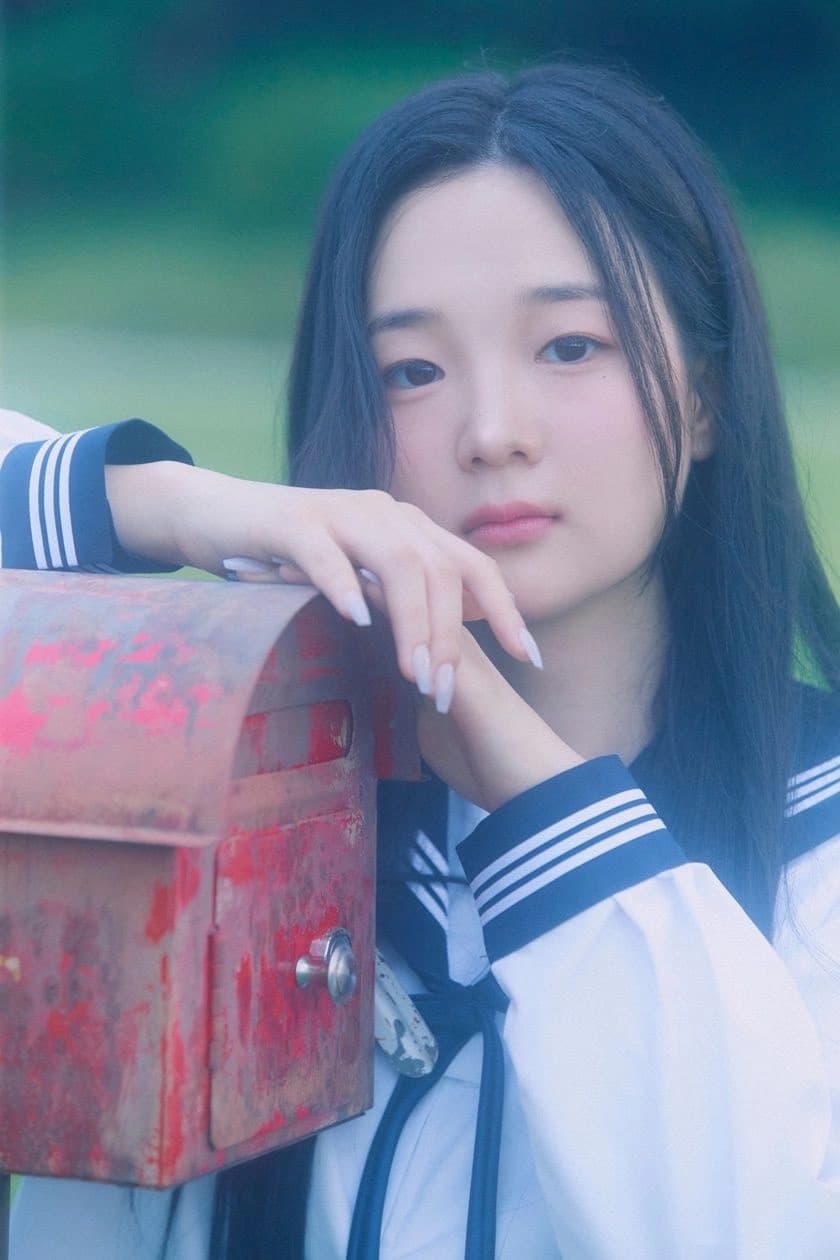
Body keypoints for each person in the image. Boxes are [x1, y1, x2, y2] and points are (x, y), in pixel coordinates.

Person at [5, 59, 840, 1259]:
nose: (493, 432)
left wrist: (522, 778)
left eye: (571, 345)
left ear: (704, 399)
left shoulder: (818, 850)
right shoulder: (216, 804)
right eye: (413, 371)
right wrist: (174, 507)